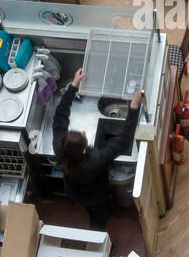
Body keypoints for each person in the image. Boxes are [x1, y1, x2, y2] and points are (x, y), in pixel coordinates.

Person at [52, 68, 142, 230]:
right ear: (84, 151)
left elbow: (60, 115)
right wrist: (134, 109)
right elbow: (123, 140)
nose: (83, 131)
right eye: (83, 136)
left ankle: (95, 220)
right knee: (101, 212)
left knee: (91, 207)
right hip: (98, 195)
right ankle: (99, 226)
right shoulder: (97, 160)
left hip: (74, 193)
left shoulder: (59, 147)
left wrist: (74, 85)